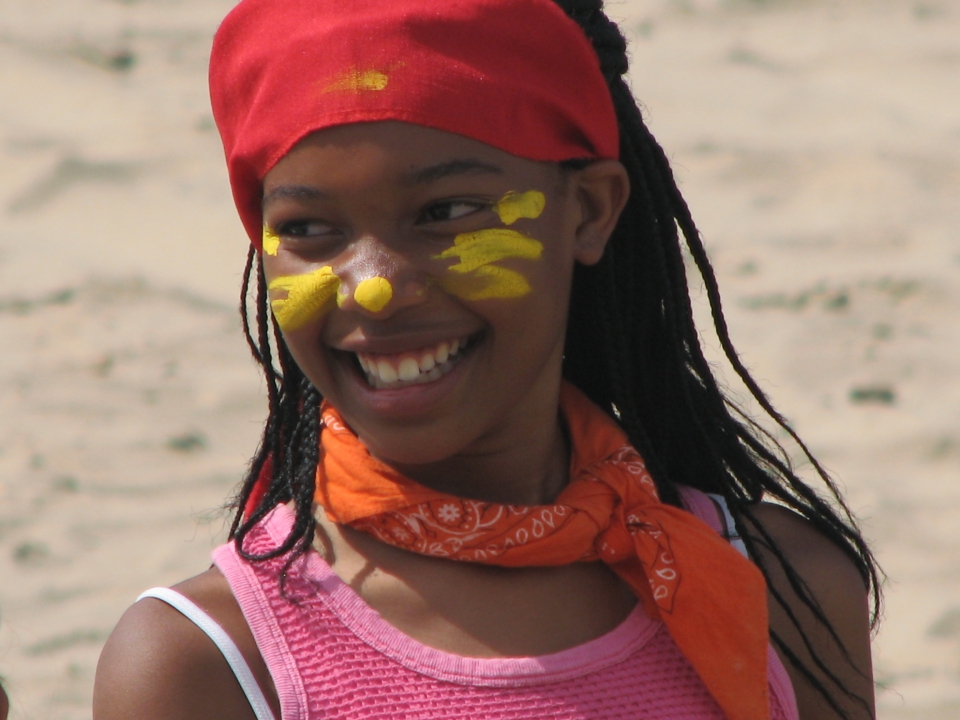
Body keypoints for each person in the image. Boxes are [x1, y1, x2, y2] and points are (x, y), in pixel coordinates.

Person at [93, 1, 880, 718]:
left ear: (589, 210)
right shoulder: (211, 665)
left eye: (446, 212)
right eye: (307, 229)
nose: (374, 289)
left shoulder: (778, 593)